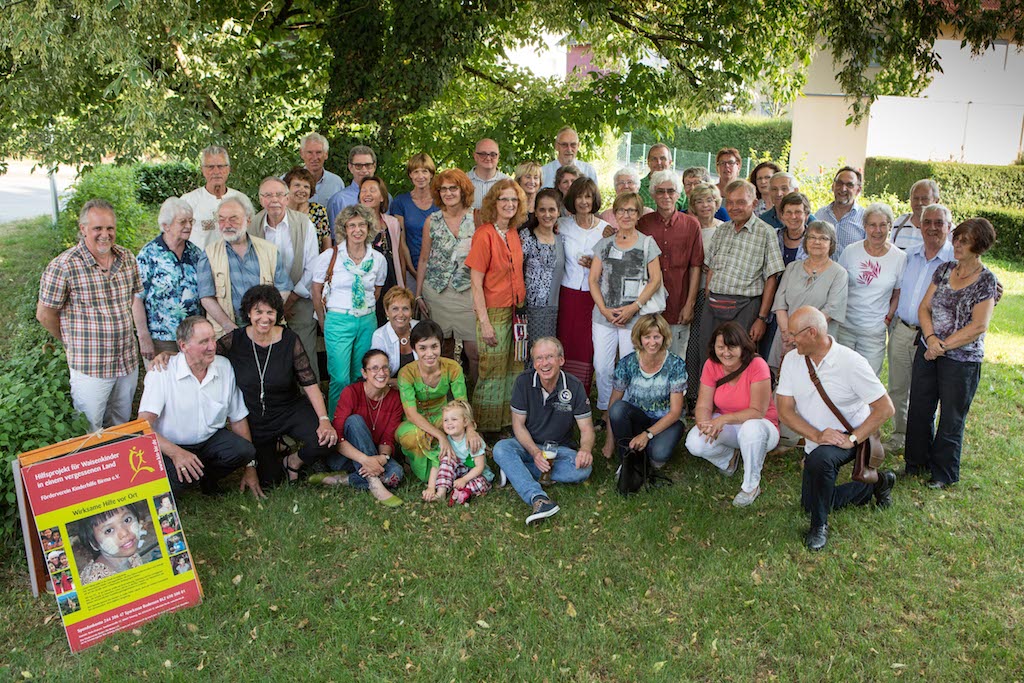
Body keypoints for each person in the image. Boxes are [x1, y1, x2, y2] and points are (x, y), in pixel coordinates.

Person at [775, 306, 896, 551]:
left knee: (820, 461)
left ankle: (819, 527)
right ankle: (875, 485)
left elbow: (885, 408)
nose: (787, 338)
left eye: (793, 333)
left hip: (851, 436)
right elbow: (785, 410)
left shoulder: (851, 363)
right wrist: (817, 435)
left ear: (811, 333)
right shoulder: (791, 360)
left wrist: (852, 438)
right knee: (810, 502)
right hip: (817, 438)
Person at [905, 218, 999, 488]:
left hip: (962, 360)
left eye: (964, 241)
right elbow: (925, 308)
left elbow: (979, 325)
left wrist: (942, 347)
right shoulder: (945, 269)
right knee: (920, 408)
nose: (956, 244)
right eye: (956, 238)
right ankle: (915, 463)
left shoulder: (986, 280)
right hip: (929, 350)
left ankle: (943, 473)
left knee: (951, 416)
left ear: (979, 246)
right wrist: (931, 339)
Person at [214, 285, 337, 487]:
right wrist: (169, 358)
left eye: (270, 312)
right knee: (270, 481)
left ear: (277, 314)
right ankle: (277, 450)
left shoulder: (289, 339)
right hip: (255, 417)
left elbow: (309, 381)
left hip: (289, 408)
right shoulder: (235, 340)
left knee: (326, 439)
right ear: (248, 313)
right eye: (258, 312)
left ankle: (293, 460)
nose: (265, 318)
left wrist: (324, 420)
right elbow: (205, 353)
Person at [37, 199, 142, 431]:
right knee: (89, 428)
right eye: (97, 228)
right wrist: (70, 341)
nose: (105, 234)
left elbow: (136, 297)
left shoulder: (127, 258)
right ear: (83, 229)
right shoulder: (63, 266)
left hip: (126, 361)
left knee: (121, 422)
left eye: (110, 228)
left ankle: (117, 466)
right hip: (91, 365)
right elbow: (45, 314)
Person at [137, 316, 264, 498]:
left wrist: (250, 468)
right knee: (176, 485)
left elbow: (238, 418)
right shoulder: (162, 373)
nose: (212, 346)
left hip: (210, 441)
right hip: (171, 445)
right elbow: (142, 426)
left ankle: (206, 478)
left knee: (244, 450)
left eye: (213, 339)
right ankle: (189, 475)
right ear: (183, 346)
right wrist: (176, 453)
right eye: (203, 342)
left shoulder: (224, 366)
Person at [492, 337, 595, 525]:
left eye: (549, 357)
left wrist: (586, 449)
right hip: (527, 444)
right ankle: (538, 498)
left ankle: (513, 468)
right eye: (539, 358)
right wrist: (535, 452)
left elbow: (587, 428)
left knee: (583, 470)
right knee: (500, 449)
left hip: (557, 449)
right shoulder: (523, 382)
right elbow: (518, 426)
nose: (544, 363)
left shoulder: (574, 386)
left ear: (561, 360)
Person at [589, 192, 664, 434]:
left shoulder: (647, 243)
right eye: (621, 210)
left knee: (630, 366)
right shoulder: (604, 244)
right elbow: (593, 279)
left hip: (634, 318)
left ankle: (626, 412)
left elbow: (655, 280)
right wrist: (603, 309)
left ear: (639, 214)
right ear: (615, 212)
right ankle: (604, 409)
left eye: (631, 210)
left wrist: (634, 307)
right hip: (604, 317)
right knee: (602, 366)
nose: (626, 215)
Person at [685, 321, 779, 506]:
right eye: (721, 347)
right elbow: (703, 405)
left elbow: (757, 411)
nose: (725, 353)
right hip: (727, 425)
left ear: (743, 346)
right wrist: (704, 423)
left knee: (751, 429)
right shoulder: (711, 365)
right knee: (694, 442)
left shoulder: (757, 365)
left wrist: (723, 419)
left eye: (731, 347)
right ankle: (728, 459)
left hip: (761, 425)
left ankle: (751, 486)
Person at [885, 204, 954, 451]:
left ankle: (922, 440)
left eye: (939, 223)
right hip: (902, 330)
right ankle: (900, 435)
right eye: (927, 222)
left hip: (933, 337)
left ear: (949, 226)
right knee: (898, 386)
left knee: (925, 392)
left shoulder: (955, 261)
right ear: (920, 225)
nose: (932, 228)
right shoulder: (909, 256)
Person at [699, 180, 785, 372]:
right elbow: (711, 267)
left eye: (740, 202)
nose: (734, 207)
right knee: (709, 358)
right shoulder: (722, 230)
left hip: (745, 308)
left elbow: (771, 278)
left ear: (754, 204)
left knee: (738, 361)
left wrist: (761, 318)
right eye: (730, 202)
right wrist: (708, 295)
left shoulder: (766, 233)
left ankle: (734, 403)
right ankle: (707, 401)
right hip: (713, 305)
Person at [311, 204, 388, 414]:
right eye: (351, 225)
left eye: (362, 224)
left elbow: (376, 292)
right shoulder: (330, 256)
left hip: (366, 321)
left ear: (369, 227)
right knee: (339, 378)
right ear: (344, 229)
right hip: (338, 320)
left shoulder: (378, 260)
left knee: (360, 375)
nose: (357, 230)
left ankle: (358, 419)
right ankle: (337, 425)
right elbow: (316, 291)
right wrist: (322, 320)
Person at [466, 180, 527, 433]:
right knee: (492, 370)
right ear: (494, 203)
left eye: (514, 200)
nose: (509, 204)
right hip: (494, 311)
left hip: (518, 311)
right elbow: (476, 283)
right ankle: (483, 428)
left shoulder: (513, 232)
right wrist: (485, 322)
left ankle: (507, 423)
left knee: (515, 367)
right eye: (504, 199)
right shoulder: (484, 234)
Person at [395, 321, 483, 494]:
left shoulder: (452, 367)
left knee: (458, 427)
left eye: (434, 346)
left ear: (441, 345)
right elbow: (411, 414)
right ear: (414, 348)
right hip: (416, 421)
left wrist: (471, 429)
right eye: (423, 348)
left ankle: (449, 469)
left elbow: (461, 403)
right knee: (412, 436)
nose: (429, 353)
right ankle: (427, 471)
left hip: (442, 417)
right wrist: (441, 436)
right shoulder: (406, 373)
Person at [249, 176, 321, 381]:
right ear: (261, 199)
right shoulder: (252, 225)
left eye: (279, 195)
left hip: (299, 299)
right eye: (268, 195)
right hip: (263, 304)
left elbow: (312, 265)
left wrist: (290, 298)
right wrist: (271, 304)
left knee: (305, 354)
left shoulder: (303, 223)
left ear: (287, 198)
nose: (274, 200)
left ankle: (311, 405)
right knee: (269, 354)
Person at [313, 349, 405, 506]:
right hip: (345, 457)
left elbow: (388, 438)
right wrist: (365, 460)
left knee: (396, 474)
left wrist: (383, 458)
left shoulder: (395, 398)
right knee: (355, 421)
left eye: (385, 367)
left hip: (375, 455)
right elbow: (339, 436)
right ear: (364, 373)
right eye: (374, 368)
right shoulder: (351, 392)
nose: (381, 373)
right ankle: (374, 482)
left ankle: (341, 480)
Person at [414, 168, 479, 380]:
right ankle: (446, 392)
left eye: (453, 188)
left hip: (467, 291)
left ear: (463, 191)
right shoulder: (431, 221)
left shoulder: (477, 218)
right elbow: (423, 259)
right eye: (443, 189)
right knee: (442, 348)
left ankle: (474, 393)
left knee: (474, 351)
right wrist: (418, 294)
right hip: (437, 292)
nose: (448, 193)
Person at [198, 195, 293, 337]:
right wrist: (231, 329)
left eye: (233, 218)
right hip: (226, 334)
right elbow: (206, 297)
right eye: (222, 219)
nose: (227, 224)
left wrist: (264, 319)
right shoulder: (209, 254)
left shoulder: (269, 250)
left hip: (266, 331)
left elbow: (284, 289)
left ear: (248, 220)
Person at [638, 170, 703, 361]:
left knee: (675, 360)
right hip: (648, 305)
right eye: (660, 191)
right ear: (652, 194)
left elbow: (695, 266)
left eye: (671, 191)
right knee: (647, 359)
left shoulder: (691, 225)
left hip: (678, 304)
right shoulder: (643, 224)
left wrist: (689, 304)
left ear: (678, 194)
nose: (666, 196)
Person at [133, 197, 208, 363]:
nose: (188, 226)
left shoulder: (196, 253)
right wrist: (143, 336)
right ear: (166, 226)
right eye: (182, 222)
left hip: (193, 337)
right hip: (161, 338)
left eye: (190, 221)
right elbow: (136, 298)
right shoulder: (149, 254)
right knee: (164, 385)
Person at [605, 314, 686, 465]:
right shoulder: (627, 363)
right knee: (617, 409)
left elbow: (675, 412)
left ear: (664, 337)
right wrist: (610, 440)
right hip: (639, 417)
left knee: (659, 455)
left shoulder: (675, 364)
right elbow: (614, 401)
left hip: (667, 420)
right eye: (647, 337)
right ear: (639, 338)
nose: (652, 342)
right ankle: (626, 457)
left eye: (657, 337)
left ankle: (647, 448)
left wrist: (647, 435)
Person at [836, 203, 907, 376]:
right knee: (841, 377)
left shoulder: (899, 257)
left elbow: (897, 293)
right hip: (845, 327)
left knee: (867, 379)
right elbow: (837, 285)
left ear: (890, 226)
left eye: (883, 225)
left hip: (873, 332)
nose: (878, 230)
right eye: (872, 225)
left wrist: (888, 318)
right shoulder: (851, 251)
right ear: (865, 226)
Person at [769, 220, 848, 371]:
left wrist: (797, 336)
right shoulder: (792, 267)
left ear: (831, 243)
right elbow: (780, 304)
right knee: (783, 384)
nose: (817, 242)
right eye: (812, 237)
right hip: (785, 338)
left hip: (816, 341)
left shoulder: (839, 273)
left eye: (823, 238)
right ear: (805, 242)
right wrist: (788, 334)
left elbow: (831, 310)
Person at [555, 177, 608, 393]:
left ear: (594, 199)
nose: (584, 201)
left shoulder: (606, 229)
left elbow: (613, 264)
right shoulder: (562, 225)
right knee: (565, 341)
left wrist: (597, 265)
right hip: (567, 293)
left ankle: (580, 392)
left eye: (588, 196)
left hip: (592, 296)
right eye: (579, 196)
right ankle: (559, 388)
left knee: (587, 346)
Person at [685, 182, 725, 410]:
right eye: (699, 201)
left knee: (710, 343)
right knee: (693, 344)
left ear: (717, 203)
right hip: (694, 291)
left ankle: (711, 394)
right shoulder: (690, 227)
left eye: (709, 200)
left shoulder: (724, 228)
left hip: (717, 293)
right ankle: (692, 393)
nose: (705, 205)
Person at [519, 189, 564, 358]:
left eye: (552, 210)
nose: (547, 214)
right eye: (542, 210)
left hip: (556, 308)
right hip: (531, 309)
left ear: (558, 212)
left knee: (550, 353)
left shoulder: (560, 238)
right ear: (535, 212)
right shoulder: (527, 237)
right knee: (533, 353)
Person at [359, 175, 407, 323]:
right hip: (366, 285)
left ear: (382, 197)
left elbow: (399, 256)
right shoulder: (354, 224)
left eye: (372, 190)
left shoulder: (392, 222)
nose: (367, 194)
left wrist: (402, 286)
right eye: (363, 190)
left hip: (389, 281)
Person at [181, 145, 246, 249]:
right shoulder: (188, 201)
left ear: (228, 169)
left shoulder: (240, 199)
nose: (216, 172)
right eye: (210, 167)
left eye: (220, 166)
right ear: (202, 170)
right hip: (201, 262)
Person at [390, 153, 438, 289]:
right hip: (410, 269)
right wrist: (413, 271)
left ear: (431, 174)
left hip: (438, 270)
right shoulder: (400, 202)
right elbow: (401, 241)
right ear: (410, 175)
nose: (420, 176)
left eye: (425, 171)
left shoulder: (441, 201)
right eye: (416, 171)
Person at [433, 400, 493, 505]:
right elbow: (439, 465)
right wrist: (431, 486)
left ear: (465, 421)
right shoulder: (446, 441)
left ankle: (462, 492)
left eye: (454, 419)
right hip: (458, 473)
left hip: (476, 474)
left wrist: (464, 479)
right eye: (445, 420)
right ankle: (441, 492)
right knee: (446, 459)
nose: (449, 423)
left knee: (480, 483)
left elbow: (479, 467)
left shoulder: (473, 440)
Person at [74, 504, 145, 585]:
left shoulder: (133, 557)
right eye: (109, 530)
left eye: (127, 520)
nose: (124, 533)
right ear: (94, 544)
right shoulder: (95, 581)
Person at [326, 145, 380, 229]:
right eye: (358, 166)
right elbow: (334, 237)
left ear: (374, 166)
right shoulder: (338, 201)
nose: (364, 170)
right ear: (350, 167)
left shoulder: (384, 197)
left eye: (368, 165)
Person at [371, 286, 419, 378]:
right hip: (389, 386)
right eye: (395, 309)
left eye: (405, 309)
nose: (400, 314)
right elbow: (376, 374)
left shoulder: (420, 328)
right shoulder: (379, 336)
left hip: (420, 385)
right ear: (387, 311)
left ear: (411, 311)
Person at [817, 166, 866, 255]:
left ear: (858, 190)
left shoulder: (865, 218)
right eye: (839, 183)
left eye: (849, 185)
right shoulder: (819, 215)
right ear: (833, 186)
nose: (843, 189)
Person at [284, 166, 332, 251]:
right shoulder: (281, 212)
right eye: (297, 185)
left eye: (306, 187)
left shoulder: (319, 211)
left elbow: (327, 246)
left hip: (315, 262)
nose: (302, 190)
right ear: (287, 188)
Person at [890, 178, 941, 252]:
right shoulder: (900, 222)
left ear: (936, 201)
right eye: (915, 198)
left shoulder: (944, 229)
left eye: (924, 199)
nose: (919, 203)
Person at [296, 132, 344, 206]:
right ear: (302, 154)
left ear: (326, 154)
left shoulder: (336, 183)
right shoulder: (288, 181)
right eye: (310, 152)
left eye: (318, 152)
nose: (314, 157)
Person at [638, 144, 685, 211]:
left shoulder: (680, 189)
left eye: (663, 158)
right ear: (648, 162)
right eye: (654, 159)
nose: (659, 162)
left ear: (670, 162)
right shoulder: (638, 188)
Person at [468, 138, 510, 209]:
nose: (488, 158)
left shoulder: (508, 183)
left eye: (493, 154)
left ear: (498, 156)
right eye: (483, 154)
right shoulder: (462, 182)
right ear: (475, 156)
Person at [714, 148, 742, 216]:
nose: (726, 166)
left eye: (731, 163)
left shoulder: (744, 192)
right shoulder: (711, 192)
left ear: (738, 166)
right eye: (722, 163)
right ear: (717, 167)